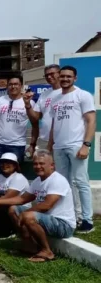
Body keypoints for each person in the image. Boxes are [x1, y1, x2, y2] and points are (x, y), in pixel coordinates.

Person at [0, 151, 76, 262]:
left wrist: (25, 213)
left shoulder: (57, 180)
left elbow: (47, 205)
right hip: (46, 219)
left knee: (28, 216)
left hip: (63, 224)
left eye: (42, 163)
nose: (38, 166)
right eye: (35, 164)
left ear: (52, 165)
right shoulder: (38, 181)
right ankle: (29, 246)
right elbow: (23, 199)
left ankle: (47, 252)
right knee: (13, 209)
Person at [49, 65, 96, 233]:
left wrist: (86, 144)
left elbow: (91, 120)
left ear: (75, 78)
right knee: (65, 184)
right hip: (59, 146)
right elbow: (54, 124)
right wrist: (51, 145)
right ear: (58, 77)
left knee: (81, 182)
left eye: (68, 77)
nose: (65, 79)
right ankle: (72, 217)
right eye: (62, 76)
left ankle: (87, 220)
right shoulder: (55, 99)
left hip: (77, 145)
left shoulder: (82, 95)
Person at [0, 74, 37, 171]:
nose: (13, 87)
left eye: (16, 84)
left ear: (21, 85)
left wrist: (32, 145)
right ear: (7, 86)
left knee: (14, 173)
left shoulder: (29, 103)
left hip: (17, 145)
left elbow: (35, 125)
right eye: (10, 84)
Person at [26, 65, 62, 152]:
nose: (49, 77)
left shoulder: (69, 92)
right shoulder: (44, 94)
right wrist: (27, 104)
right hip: (45, 140)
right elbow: (35, 118)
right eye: (46, 75)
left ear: (60, 74)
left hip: (63, 141)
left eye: (52, 74)